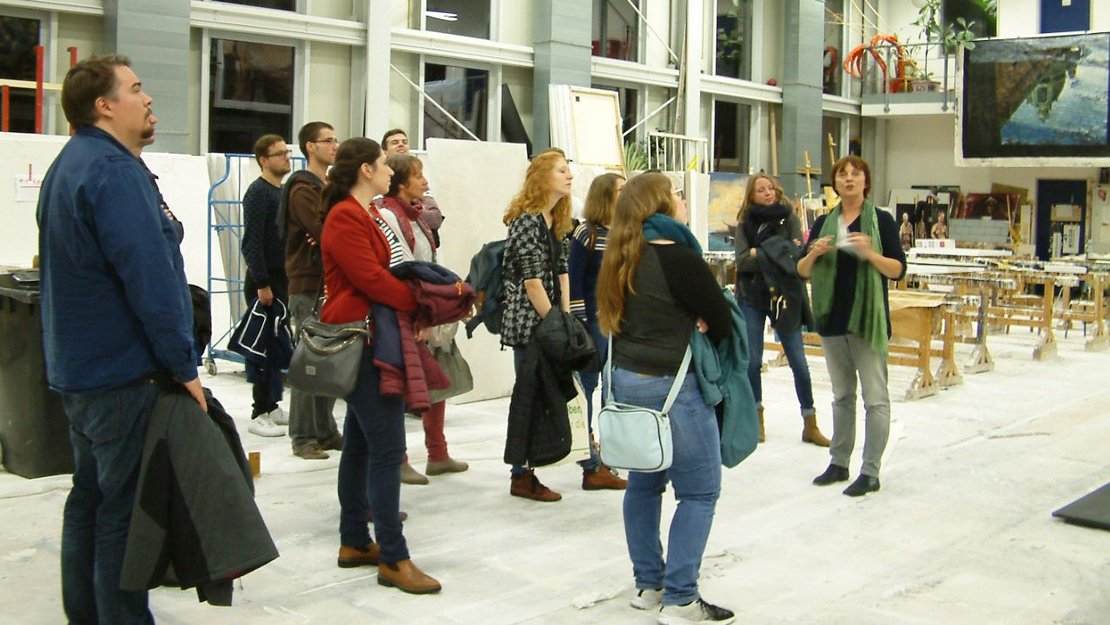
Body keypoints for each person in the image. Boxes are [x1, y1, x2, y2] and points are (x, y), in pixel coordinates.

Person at [37, 54, 206, 624]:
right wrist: (184, 366)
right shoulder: (114, 172)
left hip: (80, 373)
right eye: (136, 89)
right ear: (104, 105)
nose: (149, 98)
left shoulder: (70, 165)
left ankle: (86, 614)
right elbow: (151, 279)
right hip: (123, 376)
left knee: (89, 498)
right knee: (124, 515)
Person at [596, 172, 735, 625]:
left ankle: (648, 585)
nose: (681, 198)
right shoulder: (678, 256)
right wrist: (702, 316)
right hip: (673, 389)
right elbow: (722, 319)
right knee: (699, 492)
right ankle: (681, 599)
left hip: (627, 382)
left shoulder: (620, 255)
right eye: (675, 193)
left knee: (644, 483)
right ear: (660, 204)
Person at [320, 137, 440, 594]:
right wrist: (420, 303)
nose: (392, 171)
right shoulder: (345, 216)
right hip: (364, 342)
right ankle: (393, 556)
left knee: (361, 446)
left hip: (372, 338)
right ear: (366, 169)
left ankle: (354, 540)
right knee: (388, 450)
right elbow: (370, 278)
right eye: (385, 165)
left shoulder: (364, 212)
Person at [797, 156, 906, 497]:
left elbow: (898, 270)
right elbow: (802, 270)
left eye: (855, 174)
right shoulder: (823, 222)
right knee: (842, 396)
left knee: (875, 399)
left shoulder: (882, 221)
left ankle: (870, 471)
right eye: (842, 174)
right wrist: (814, 254)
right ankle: (839, 462)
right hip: (832, 321)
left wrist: (870, 254)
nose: (848, 179)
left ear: (865, 182)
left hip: (867, 323)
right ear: (835, 184)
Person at [379, 153, 469, 481]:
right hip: (409, 315)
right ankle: (398, 459)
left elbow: (426, 262)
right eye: (418, 176)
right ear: (402, 183)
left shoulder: (415, 215)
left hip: (427, 313)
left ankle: (438, 453)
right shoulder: (389, 216)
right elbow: (400, 268)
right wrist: (415, 317)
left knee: (436, 382)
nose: (425, 181)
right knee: (405, 388)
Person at [500, 150, 574, 502]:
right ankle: (521, 474)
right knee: (528, 396)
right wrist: (556, 324)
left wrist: (565, 317)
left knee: (541, 395)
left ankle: (527, 470)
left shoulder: (554, 218)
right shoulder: (528, 219)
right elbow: (532, 282)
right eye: (562, 170)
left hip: (547, 320)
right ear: (543, 177)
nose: (569, 176)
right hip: (530, 324)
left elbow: (562, 271)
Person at [734, 174, 829, 447]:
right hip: (752, 296)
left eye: (770, 188)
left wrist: (759, 252)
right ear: (751, 196)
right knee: (752, 361)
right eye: (760, 189)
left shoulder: (789, 219)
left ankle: (810, 423)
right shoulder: (745, 224)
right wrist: (777, 252)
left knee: (798, 361)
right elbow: (742, 262)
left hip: (786, 296)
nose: (768, 192)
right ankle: (756, 421)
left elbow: (796, 257)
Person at [281, 121, 343, 460]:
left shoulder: (326, 186)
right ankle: (303, 435)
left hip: (328, 283)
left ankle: (326, 430)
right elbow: (325, 231)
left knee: (330, 362)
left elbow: (329, 228)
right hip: (309, 284)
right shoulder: (302, 188)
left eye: (335, 140)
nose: (334, 145)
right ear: (309, 147)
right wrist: (326, 230)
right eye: (327, 140)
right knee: (308, 363)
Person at [567, 172, 628, 490]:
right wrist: (581, 326)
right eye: (620, 189)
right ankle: (590, 462)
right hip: (593, 325)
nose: (625, 194)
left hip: (617, 326)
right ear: (606, 195)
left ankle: (606, 455)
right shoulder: (585, 233)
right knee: (587, 390)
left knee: (613, 392)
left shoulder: (624, 233)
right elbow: (574, 283)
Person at [242, 134, 292, 437]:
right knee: (261, 347)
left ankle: (273, 403)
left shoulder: (282, 191)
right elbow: (252, 243)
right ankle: (258, 411)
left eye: (287, 152)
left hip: (282, 277)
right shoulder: (258, 193)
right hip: (266, 280)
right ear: (264, 159)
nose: (286, 158)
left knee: (276, 346)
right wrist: (262, 283)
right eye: (279, 154)